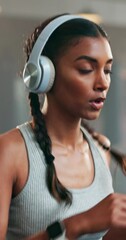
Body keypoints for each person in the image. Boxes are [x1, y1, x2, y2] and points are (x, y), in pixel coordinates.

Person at [1, 13, 126, 240]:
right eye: (86, 70)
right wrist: (77, 224)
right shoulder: (9, 152)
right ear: (44, 75)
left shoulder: (101, 149)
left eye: (107, 71)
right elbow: (80, 227)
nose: (103, 83)